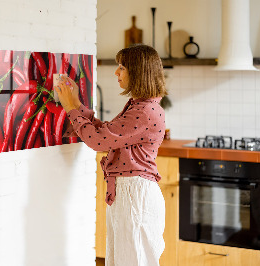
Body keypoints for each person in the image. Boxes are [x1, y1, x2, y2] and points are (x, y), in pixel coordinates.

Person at [54, 44, 167, 266]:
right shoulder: (140, 106)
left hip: (135, 195)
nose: (116, 72)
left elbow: (98, 141)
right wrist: (76, 104)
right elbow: (106, 134)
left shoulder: (144, 111)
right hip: (129, 193)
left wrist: (70, 109)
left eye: (122, 67)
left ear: (138, 71)